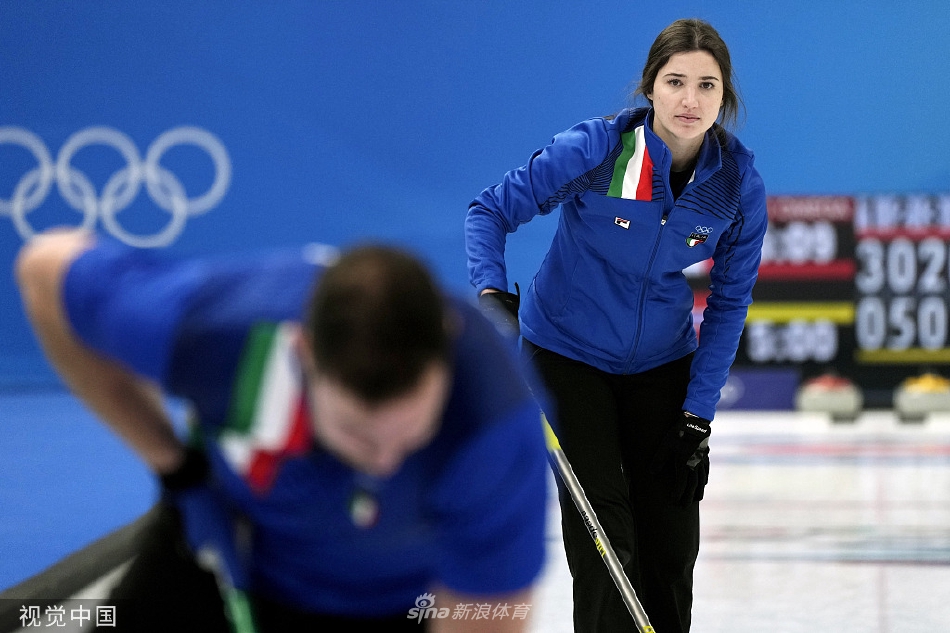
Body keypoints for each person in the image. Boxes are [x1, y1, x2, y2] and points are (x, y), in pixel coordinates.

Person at [15, 228, 551, 632]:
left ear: (446, 344)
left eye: (410, 435)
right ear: (305, 354)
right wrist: (173, 465)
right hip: (225, 551)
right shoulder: (217, 332)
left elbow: (488, 613)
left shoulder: (495, 421)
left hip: (405, 602)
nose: (385, 462)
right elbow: (43, 270)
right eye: (359, 436)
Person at [465, 18, 768, 633]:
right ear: (649, 88)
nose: (690, 100)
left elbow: (730, 304)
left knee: (672, 546)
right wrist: (492, 293)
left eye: (707, 86)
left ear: (724, 98)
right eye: (675, 81)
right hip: (566, 356)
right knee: (607, 539)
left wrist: (697, 415)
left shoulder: (735, 185)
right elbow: (490, 210)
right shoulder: (598, 152)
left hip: (662, 363)